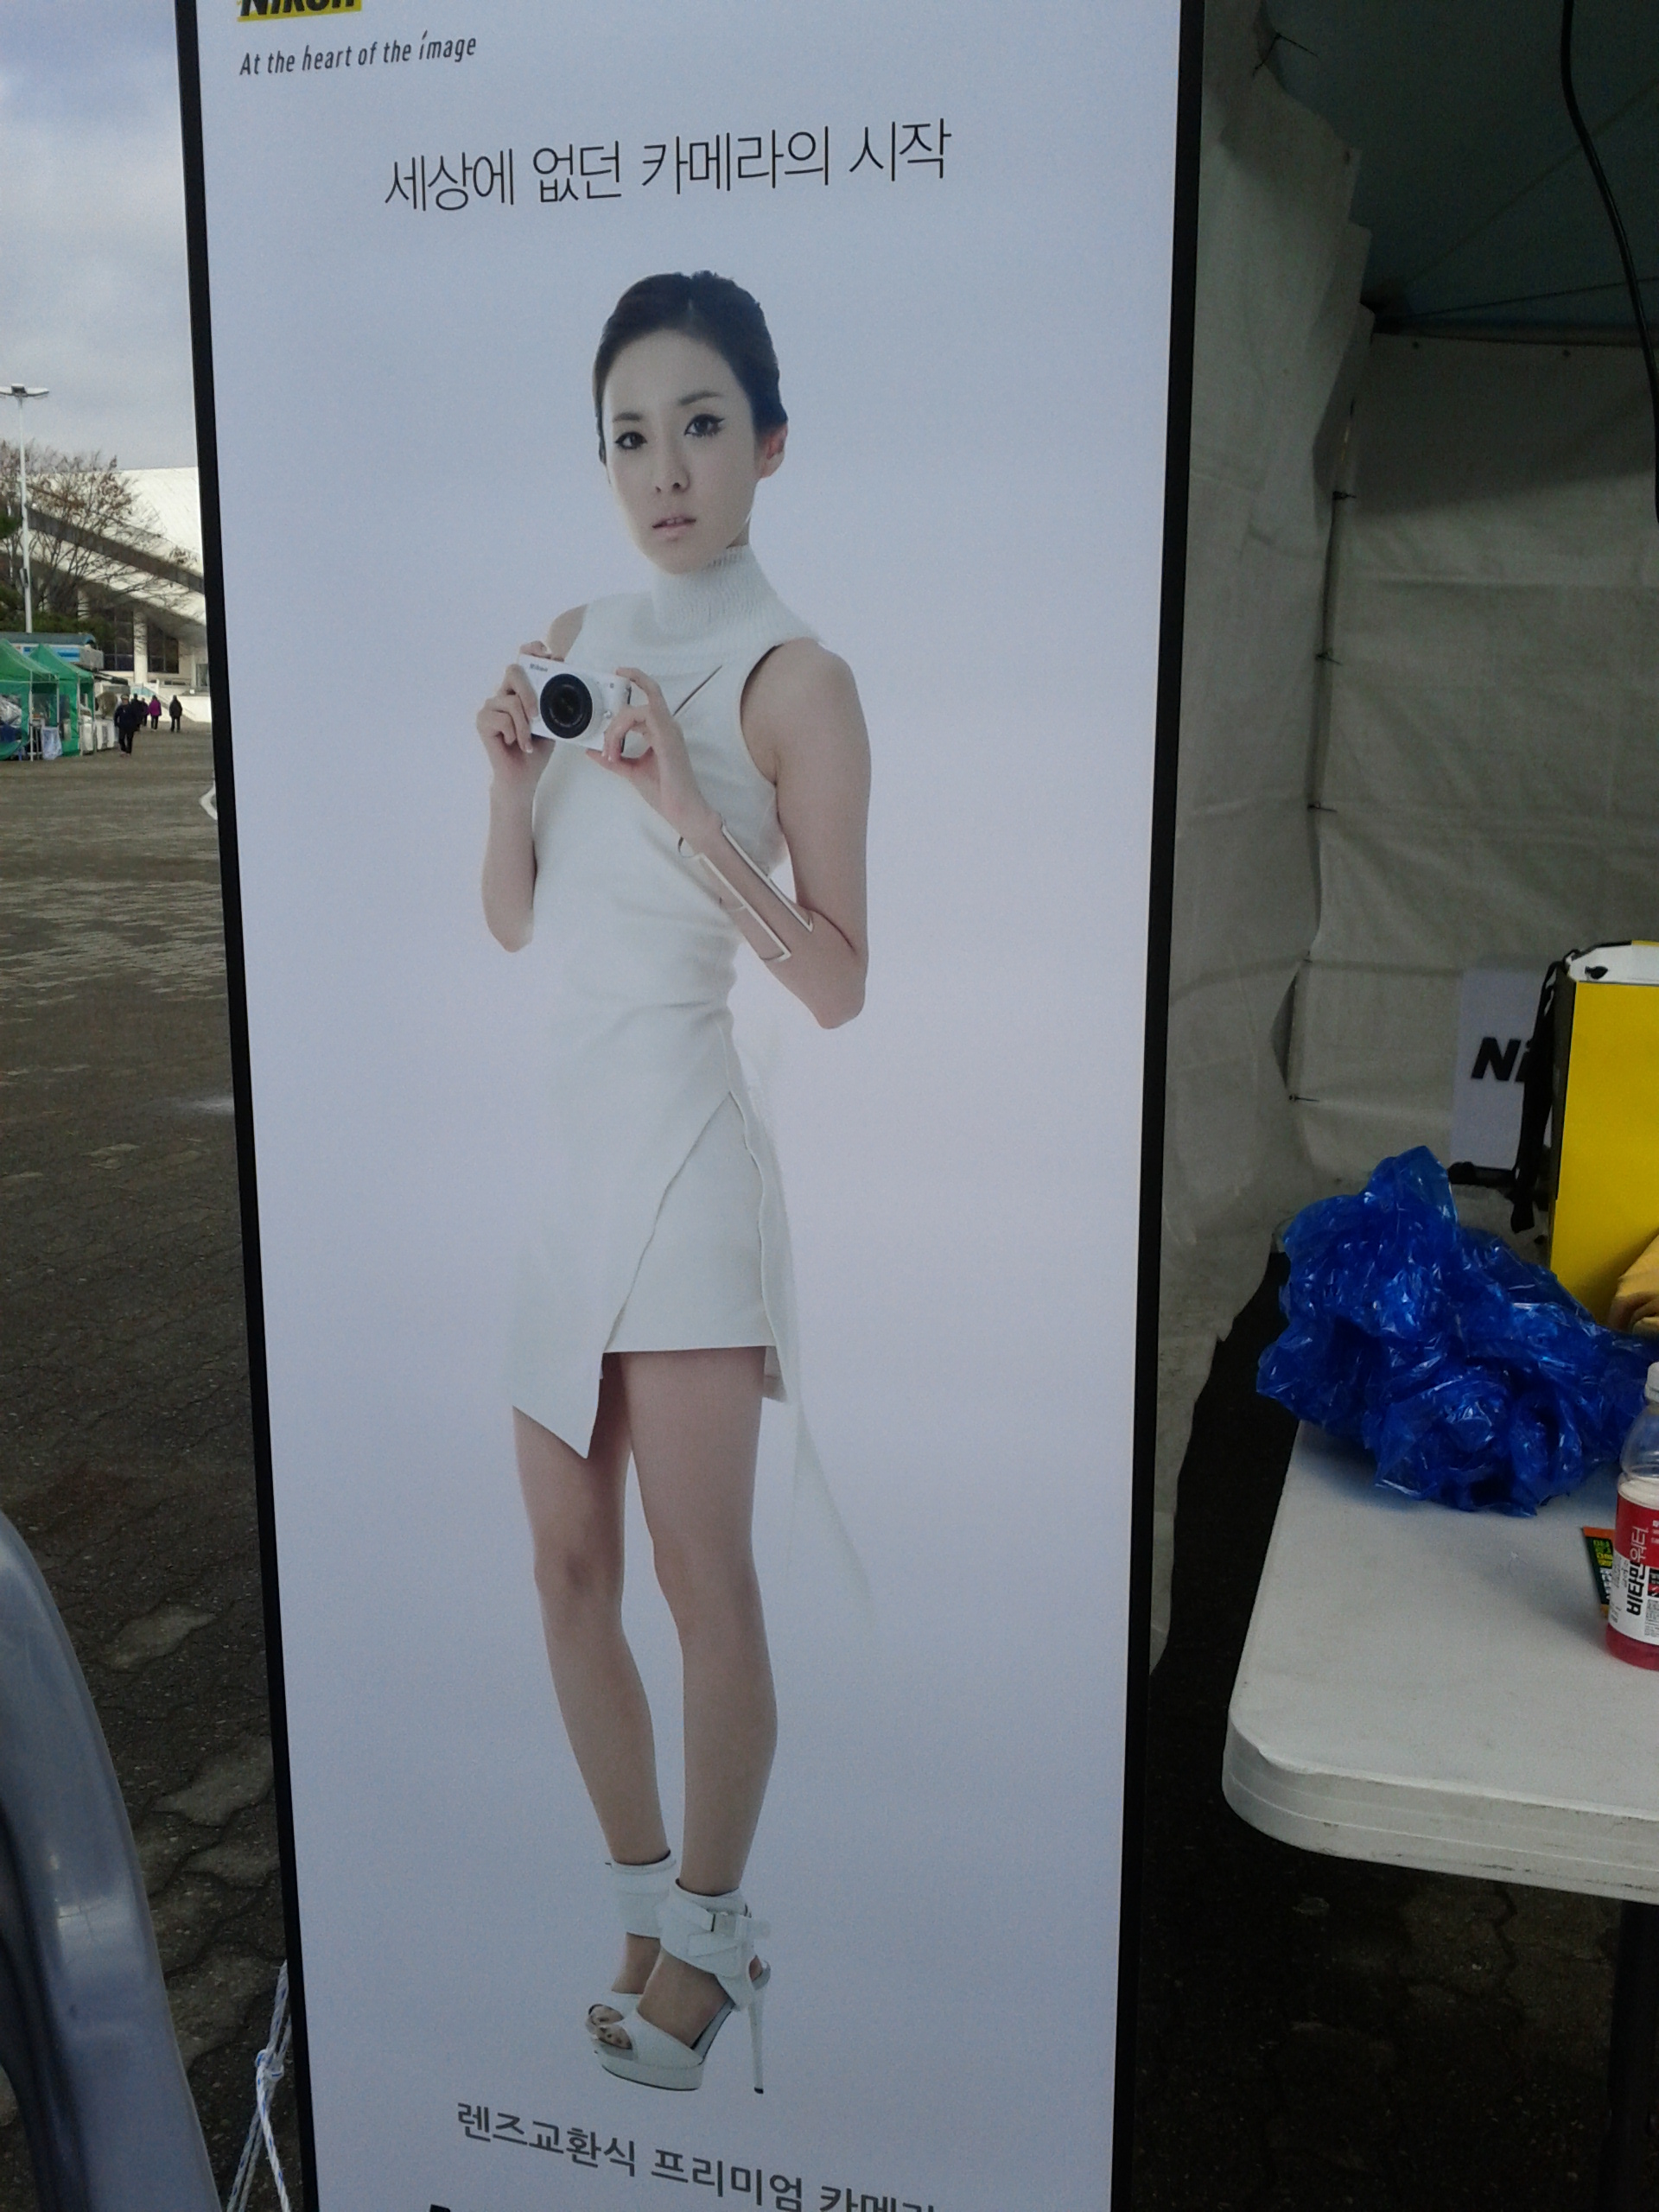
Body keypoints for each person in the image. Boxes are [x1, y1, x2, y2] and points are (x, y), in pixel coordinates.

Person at [475, 271, 869, 2095]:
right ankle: (642, 1911)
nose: (665, 469)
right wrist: (509, 779)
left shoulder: (801, 681)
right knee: (568, 1564)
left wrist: (691, 813)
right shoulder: (575, 634)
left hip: (694, 1162)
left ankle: (717, 1939)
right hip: (569, 1166)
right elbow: (515, 922)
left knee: (705, 1578)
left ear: (769, 444)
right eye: (630, 435)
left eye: (702, 425)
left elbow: (837, 982)